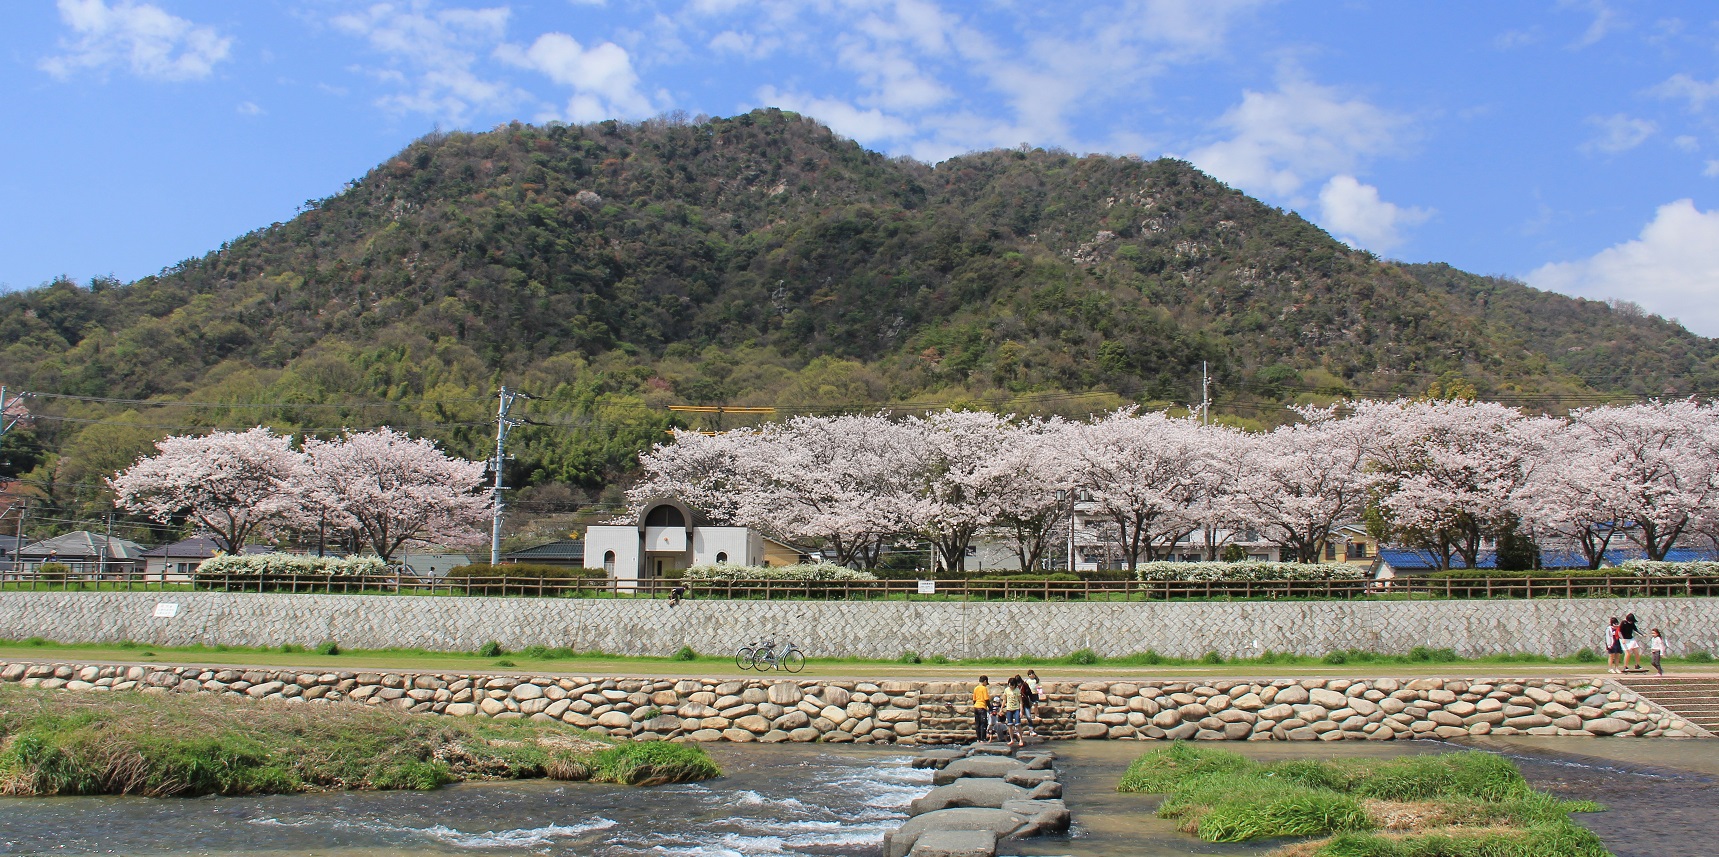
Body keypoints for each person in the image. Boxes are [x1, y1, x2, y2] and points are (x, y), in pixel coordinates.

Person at [1002, 675, 1026, 747]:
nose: (1011, 687)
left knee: (1018, 724)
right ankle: (1011, 739)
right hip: (1009, 709)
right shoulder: (1006, 690)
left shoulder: (1017, 690)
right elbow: (1004, 700)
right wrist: (1001, 709)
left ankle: (1021, 739)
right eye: (1010, 685)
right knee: (1010, 725)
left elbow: (1021, 701)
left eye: (1012, 685)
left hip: (1016, 709)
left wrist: (1021, 711)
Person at [1022, 670, 1042, 736]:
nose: (1031, 675)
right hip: (1030, 694)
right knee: (1029, 705)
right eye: (1030, 674)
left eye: (1032, 674)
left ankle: (1036, 715)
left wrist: (1040, 691)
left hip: (1035, 694)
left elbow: (1040, 686)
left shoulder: (1036, 680)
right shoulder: (1027, 681)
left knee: (1036, 705)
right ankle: (1029, 714)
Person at [971, 676, 990, 743]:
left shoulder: (976, 688)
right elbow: (986, 699)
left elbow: (974, 699)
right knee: (983, 723)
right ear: (985, 681)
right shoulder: (984, 688)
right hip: (982, 707)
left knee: (977, 723)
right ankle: (983, 739)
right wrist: (990, 708)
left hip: (976, 707)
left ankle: (978, 738)